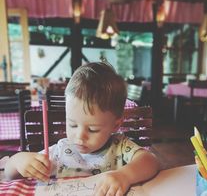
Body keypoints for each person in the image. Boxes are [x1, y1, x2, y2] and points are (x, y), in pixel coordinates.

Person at [5, 62, 160, 196]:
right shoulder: (59, 151)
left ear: (115, 125)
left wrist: (125, 175)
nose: (79, 136)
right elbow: (9, 174)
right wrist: (18, 161)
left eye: (92, 129)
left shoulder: (120, 146)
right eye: (72, 125)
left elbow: (151, 161)